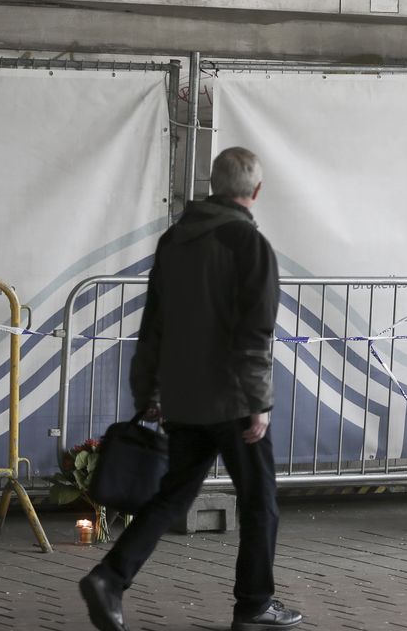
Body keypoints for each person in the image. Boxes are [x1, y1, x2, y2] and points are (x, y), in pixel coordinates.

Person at [79, 147, 301, 631]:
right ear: (255, 191)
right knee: (260, 501)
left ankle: (110, 578)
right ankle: (254, 604)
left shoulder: (174, 240)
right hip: (234, 400)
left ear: (213, 185)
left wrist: (149, 393)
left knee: (173, 497)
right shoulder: (248, 244)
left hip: (183, 398)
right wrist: (258, 403)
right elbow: (255, 331)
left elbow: (153, 323)